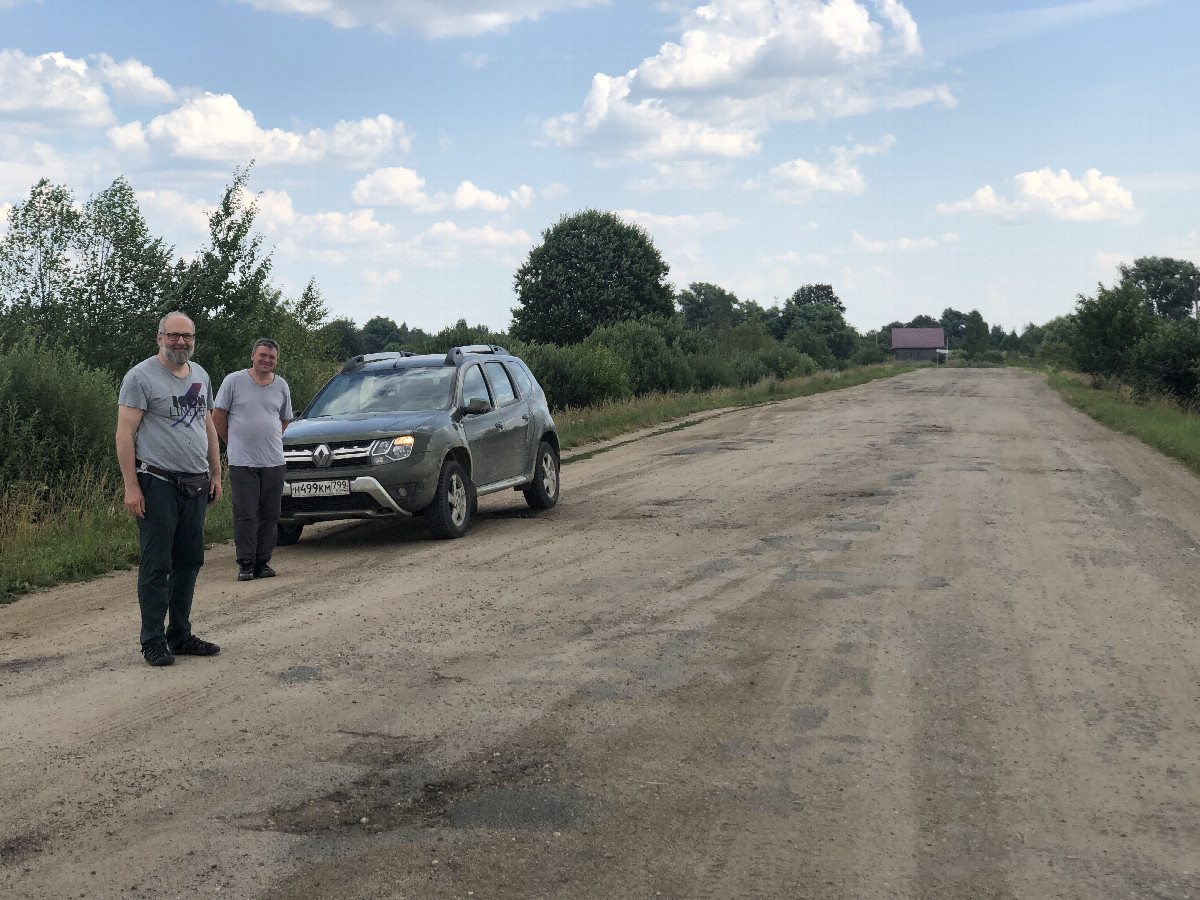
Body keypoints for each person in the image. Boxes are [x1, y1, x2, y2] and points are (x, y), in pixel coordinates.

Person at [116, 311, 223, 667]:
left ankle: (180, 634)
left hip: (196, 483)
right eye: (174, 335)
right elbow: (125, 433)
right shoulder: (141, 377)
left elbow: (207, 426)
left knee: (189, 560)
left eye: (187, 337)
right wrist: (132, 487)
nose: (181, 342)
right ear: (159, 337)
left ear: (194, 339)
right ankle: (153, 640)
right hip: (157, 481)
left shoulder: (201, 375)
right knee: (156, 564)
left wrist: (217, 472)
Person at [212, 338, 295, 582]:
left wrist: (268, 438)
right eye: (263, 355)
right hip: (242, 461)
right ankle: (245, 562)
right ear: (252, 356)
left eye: (271, 357)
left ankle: (263, 561)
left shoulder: (281, 385)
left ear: (276, 361)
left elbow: (285, 419)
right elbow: (218, 415)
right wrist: (233, 442)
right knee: (245, 512)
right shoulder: (234, 381)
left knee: (270, 512)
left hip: (273, 460)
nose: (267, 360)